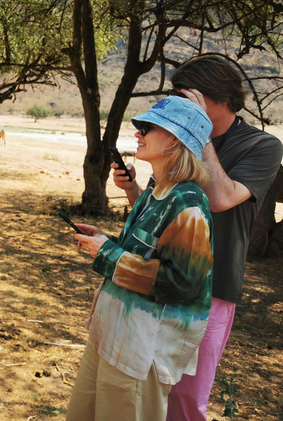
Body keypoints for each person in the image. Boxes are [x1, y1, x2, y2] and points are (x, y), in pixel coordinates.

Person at [111, 55, 283, 421]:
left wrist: (197, 129)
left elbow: (220, 199)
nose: (179, 106)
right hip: (160, 277)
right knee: (145, 387)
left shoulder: (263, 146)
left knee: (186, 400)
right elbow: (161, 209)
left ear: (218, 99)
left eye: (187, 97)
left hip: (213, 288)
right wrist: (133, 190)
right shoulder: (181, 137)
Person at [66, 96, 215, 421]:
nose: (138, 133)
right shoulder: (155, 192)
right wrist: (106, 241)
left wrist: (107, 253)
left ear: (175, 139)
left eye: (148, 128)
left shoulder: (188, 205)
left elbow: (181, 282)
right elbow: (143, 253)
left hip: (140, 352)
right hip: (112, 335)